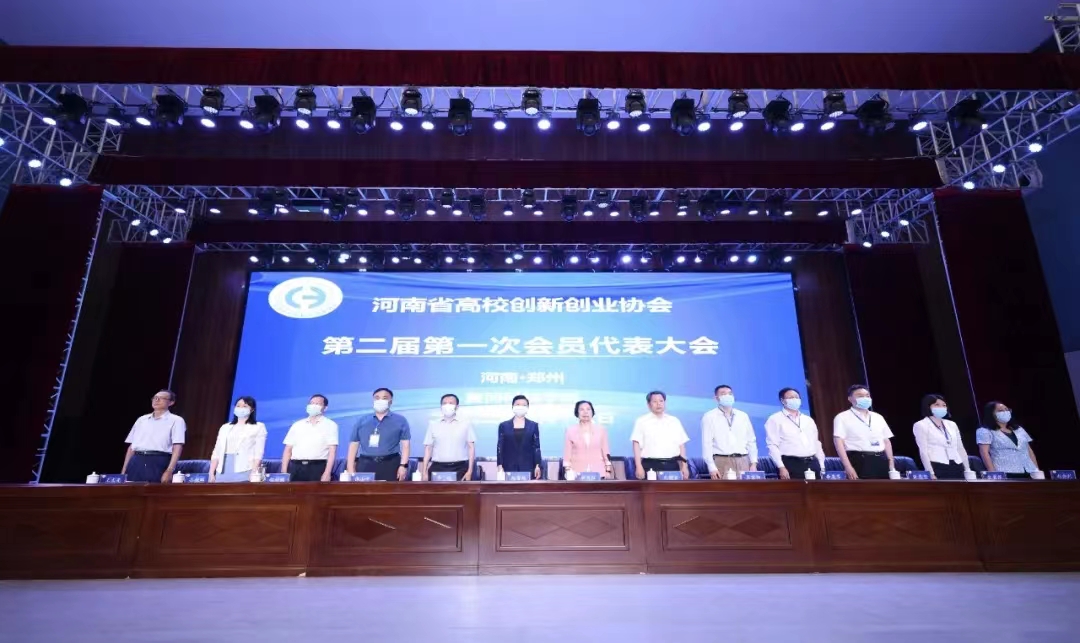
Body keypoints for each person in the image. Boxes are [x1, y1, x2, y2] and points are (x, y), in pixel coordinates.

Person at [121, 389, 186, 483]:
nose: (156, 400)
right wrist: (124, 470)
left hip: (158, 460)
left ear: (171, 402)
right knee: (130, 489)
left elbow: (177, 447)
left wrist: (169, 470)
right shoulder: (141, 420)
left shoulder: (176, 420)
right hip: (136, 460)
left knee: (153, 489)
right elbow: (131, 447)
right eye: (155, 398)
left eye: (161, 398)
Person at [346, 387, 411, 481]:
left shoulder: (400, 420)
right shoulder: (362, 420)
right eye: (377, 398)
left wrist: (403, 466)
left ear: (391, 401)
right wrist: (350, 468)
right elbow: (354, 444)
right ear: (373, 401)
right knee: (364, 490)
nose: (380, 400)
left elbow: (406, 446)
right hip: (366, 464)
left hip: (391, 464)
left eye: (384, 398)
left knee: (390, 490)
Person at [832, 384, 895, 480]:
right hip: (860, 460)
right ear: (850, 399)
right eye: (860, 396)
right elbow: (838, 442)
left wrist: (891, 464)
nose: (865, 398)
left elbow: (886, 441)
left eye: (867, 396)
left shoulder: (878, 417)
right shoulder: (842, 417)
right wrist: (848, 466)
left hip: (881, 459)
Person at [764, 388, 825, 479]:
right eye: (791, 397)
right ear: (782, 401)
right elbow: (772, 445)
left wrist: (821, 465)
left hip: (813, 462)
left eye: (796, 397)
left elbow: (816, 443)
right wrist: (781, 467)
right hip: (791, 463)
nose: (795, 399)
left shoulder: (808, 420)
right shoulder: (775, 419)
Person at [701, 384, 758, 478]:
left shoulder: (743, 416)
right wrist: (711, 467)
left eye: (730, 394)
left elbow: (751, 440)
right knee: (723, 487)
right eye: (723, 394)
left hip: (743, 460)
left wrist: (753, 463)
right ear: (716, 398)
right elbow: (707, 443)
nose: (727, 396)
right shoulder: (709, 417)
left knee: (745, 487)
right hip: (722, 460)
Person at [631, 391, 690, 480]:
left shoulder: (674, 421)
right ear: (648, 404)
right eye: (655, 401)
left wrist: (684, 466)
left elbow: (681, 445)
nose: (658, 404)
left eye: (661, 401)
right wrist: (638, 466)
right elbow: (636, 444)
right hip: (650, 465)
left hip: (672, 465)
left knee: (673, 489)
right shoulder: (641, 421)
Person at [280, 394, 338, 482]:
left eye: (317, 404)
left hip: (317, 467)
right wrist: (284, 472)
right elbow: (288, 449)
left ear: (325, 408)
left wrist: (327, 473)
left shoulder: (330, 425)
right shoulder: (297, 425)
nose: (313, 406)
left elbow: (332, 451)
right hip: (296, 467)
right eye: (311, 403)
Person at [913, 394, 971, 480]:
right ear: (928, 407)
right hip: (937, 465)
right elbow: (923, 451)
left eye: (944, 405)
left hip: (957, 464)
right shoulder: (921, 425)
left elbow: (960, 448)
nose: (941, 407)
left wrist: (967, 469)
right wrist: (930, 473)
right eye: (937, 405)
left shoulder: (952, 424)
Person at [209, 396, 267, 482]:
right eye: (238, 406)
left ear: (252, 410)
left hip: (244, 469)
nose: (241, 408)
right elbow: (216, 451)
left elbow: (258, 453)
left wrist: (254, 472)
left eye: (245, 406)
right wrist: (211, 472)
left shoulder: (258, 427)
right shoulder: (225, 427)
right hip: (222, 469)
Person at [976, 401, 1040, 478]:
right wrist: (993, 473)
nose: (1005, 412)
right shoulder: (985, 431)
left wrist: (1037, 470)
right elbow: (984, 453)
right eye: (1000, 410)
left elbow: (1029, 450)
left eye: (1007, 410)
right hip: (1006, 473)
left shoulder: (1019, 429)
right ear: (991, 414)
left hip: (1030, 471)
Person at [422, 394, 476, 481]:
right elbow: (428, 448)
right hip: (437, 467)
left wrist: (470, 471)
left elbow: (471, 447)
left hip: (460, 467)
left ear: (457, 406)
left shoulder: (466, 424)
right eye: (444, 403)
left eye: (451, 403)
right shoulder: (433, 424)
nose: (447, 406)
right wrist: (424, 471)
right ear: (441, 407)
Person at [563, 400, 613, 479]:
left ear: (592, 412)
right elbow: (567, 454)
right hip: (577, 472)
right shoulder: (570, 431)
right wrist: (568, 470)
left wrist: (608, 470)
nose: (585, 412)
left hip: (599, 472)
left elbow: (606, 452)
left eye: (588, 409)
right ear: (577, 413)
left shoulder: (601, 430)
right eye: (582, 409)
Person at [496, 395, 542, 479]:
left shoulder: (533, 425)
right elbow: (500, 447)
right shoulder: (503, 426)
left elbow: (537, 447)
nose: (520, 407)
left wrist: (537, 465)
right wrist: (499, 465)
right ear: (512, 407)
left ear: (527, 408)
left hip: (528, 467)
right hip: (508, 467)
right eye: (518, 404)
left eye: (524, 405)